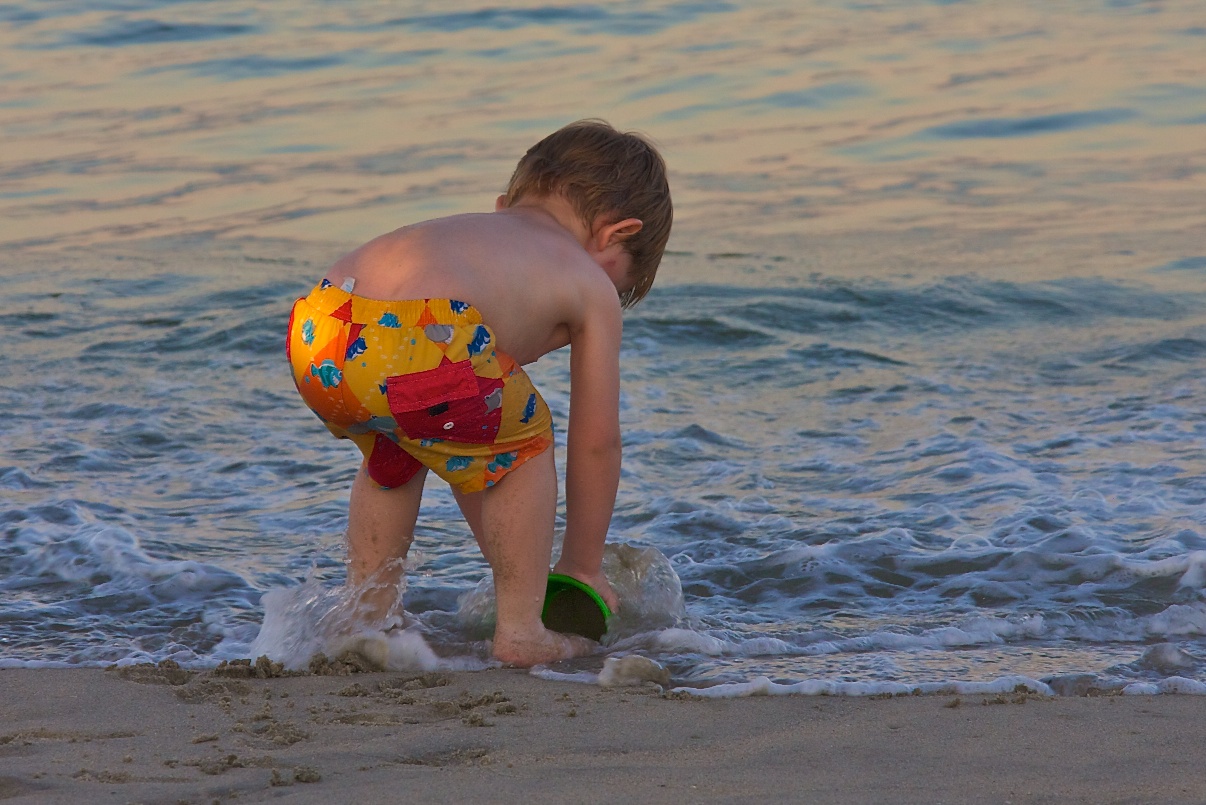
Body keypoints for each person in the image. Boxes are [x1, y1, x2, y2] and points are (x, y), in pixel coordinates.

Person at [285, 120, 672, 666]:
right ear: (615, 235)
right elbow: (596, 443)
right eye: (618, 281)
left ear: (505, 204)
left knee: (396, 451)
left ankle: (366, 618)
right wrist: (581, 567)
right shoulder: (587, 281)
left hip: (322, 326)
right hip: (418, 340)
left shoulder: (477, 234)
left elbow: (471, 453)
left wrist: (514, 560)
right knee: (526, 446)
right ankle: (522, 633)